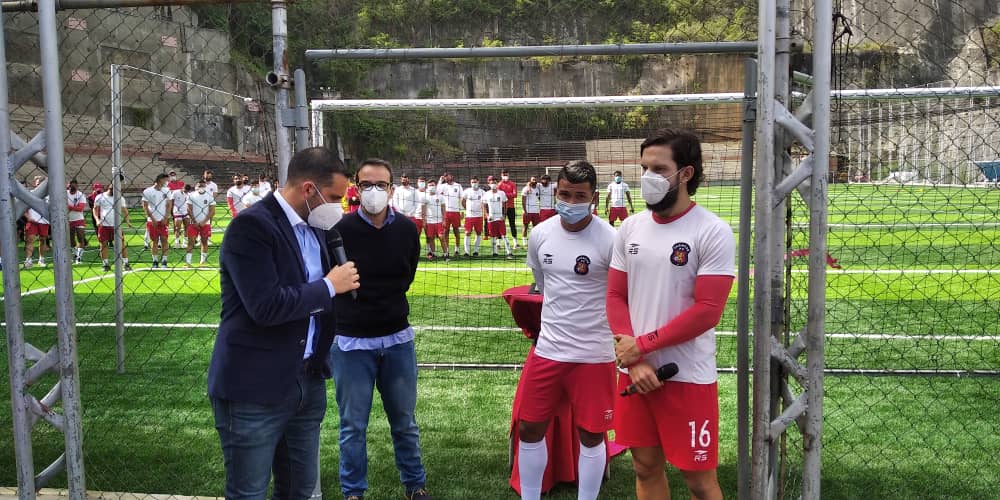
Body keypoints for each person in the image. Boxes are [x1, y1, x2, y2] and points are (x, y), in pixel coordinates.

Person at [208, 146, 359, 500]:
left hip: (305, 382)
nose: (338, 206)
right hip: (253, 389)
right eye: (334, 197)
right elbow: (265, 306)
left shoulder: (319, 228)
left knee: (300, 491)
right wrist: (329, 286)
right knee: (249, 493)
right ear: (309, 189)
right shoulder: (251, 227)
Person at [607, 129, 735, 500]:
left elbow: (708, 311)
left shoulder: (711, 231)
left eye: (659, 168)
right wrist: (634, 362)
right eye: (644, 167)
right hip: (635, 371)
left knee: (699, 481)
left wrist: (641, 347)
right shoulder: (630, 227)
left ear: (686, 174)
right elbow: (615, 296)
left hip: (687, 377)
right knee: (645, 468)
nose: (647, 176)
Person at [329, 158, 431, 500]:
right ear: (356, 188)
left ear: (392, 188)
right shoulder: (338, 230)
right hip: (351, 342)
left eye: (381, 185)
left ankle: (415, 486)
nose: (374, 191)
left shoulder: (406, 229)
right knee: (352, 426)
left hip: (397, 340)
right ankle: (353, 491)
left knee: (404, 422)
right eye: (367, 184)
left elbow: (407, 276)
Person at [518, 160, 617, 500]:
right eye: (564, 195)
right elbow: (544, 285)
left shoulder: (610, 240)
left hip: (594, 354)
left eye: (580, 196)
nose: (571, 203)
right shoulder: (540, 234)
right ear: (554, 193)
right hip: (548, 351)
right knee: (530, 428)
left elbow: (620, 296)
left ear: (594, 198)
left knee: (591, 435)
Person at [93, 182, 133, 272]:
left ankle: (126, 263)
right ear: (109, 188)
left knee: (122, 245)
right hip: (104, 225)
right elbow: (95, 209)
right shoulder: (100, 197)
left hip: (117, 226)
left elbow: (124, 210)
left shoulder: (119, 198)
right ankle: (105, 264)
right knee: (103, 245)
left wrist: (128, 221)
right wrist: (97, 220)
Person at [142, 173, 173, 269]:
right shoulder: (147, 191)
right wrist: (152, 218)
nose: (168, 183)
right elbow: (145, 207)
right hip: (152, 221)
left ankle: (164, 261)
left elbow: (169, 205)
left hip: (163, 220)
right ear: (160, 180)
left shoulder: (167, 191)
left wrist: (166, 217)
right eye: (166, 180)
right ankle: (155, 261)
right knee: (154, 241)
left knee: (164, 240)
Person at [185, 181, 215, 267]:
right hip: (193, 224)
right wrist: (194, 221)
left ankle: (202, 262)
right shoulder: (191, 195)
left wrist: (204, 221)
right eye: (199, 185)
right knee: (191, 242)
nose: (201, 187)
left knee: (204, 242)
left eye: (203, 185)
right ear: (196, 186)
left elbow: (212, 211)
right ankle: (188, 262)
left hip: (205, 224)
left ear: (205, 186)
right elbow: (188, 209)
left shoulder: (210, 196)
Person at [23, 177, 50, 269]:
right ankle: (28, 260)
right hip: (32, 220)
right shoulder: (30, 194)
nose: (38, 186)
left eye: (41, 184)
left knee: (43, 240)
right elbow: (23, 207)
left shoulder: (49, 195)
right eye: (37, 184)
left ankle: (41, 259)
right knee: (30, 239)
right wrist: (28, 217)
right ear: (35, 184)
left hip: (44, 221)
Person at [483, 180, 513, 259]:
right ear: (489, 184)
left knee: (504, 235)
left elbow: (505, 204)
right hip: (491, 218)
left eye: (495, 183)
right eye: (491, 183)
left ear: (497, 184)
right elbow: (483, 205)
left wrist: (504, 215)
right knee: (492, 236)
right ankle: (494, 252)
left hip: (500, 217)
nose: (493, 184)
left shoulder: (502, 193)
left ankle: (509, 252)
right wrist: (487, 215)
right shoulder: (486, 194)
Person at [439, 172, 463, 259]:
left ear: (452, 176)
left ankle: (457, 250)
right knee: (446, 232)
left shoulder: (458, 186)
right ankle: (447, 250)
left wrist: (462, 211)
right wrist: (440, 181)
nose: (446, 177)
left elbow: (461, 199)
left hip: (456, 212)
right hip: (446, 212)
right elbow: (437, 192)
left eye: (448, 175)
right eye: (445, 176)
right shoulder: (443, 186)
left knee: (456, 231)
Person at [461, 176, 486, 257]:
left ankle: (476, 251)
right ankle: (466, 252)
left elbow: (485, 203)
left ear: (478, 182)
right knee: (467, 233)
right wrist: (466, 209)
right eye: (472, 182)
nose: (474, 184)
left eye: (475, 182)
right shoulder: (467, 191)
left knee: (478, 233)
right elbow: (462, 201)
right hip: (469, 216)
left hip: (479, 216)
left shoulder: (482, 192)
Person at [422, 179, 447, 260]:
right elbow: (423, 210)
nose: (431, 187)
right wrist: (424, 221)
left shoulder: (440, 196)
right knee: (431, 238)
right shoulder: (425, 197)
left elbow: (443, 208)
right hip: (429, 222)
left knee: (441, 237)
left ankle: (446, 254)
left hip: (439, 221)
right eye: (429, 185)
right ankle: (433, 253)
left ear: (435, 186)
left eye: (432, 185)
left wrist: (444, 220)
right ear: (427, 187)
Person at [67, 178, 88, 264]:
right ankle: (76, 254)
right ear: (68, 186)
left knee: (80, 237)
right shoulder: (65, 194)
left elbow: (80, 208)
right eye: (71, 185)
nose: (73, 187)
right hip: (68, 219)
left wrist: (68, 207)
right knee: (71, 240)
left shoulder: (81, 195)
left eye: (75, 185)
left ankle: (79, 258)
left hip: (79, 219)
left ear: (77, 186)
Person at [498, 169, 518, 249]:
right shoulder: (499, 184)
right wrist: (508, 195)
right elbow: (498, 195)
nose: (505, 176)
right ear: (501, 175)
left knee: (512, 224)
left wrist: (504, 194)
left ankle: (515, 243)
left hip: (511, 207)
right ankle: (498, 243)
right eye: (504, 175)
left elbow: (515, 194)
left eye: (506, 175)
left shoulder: (512, 184)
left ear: (508, 175)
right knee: (500, 224)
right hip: (502, 207)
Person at [520, 176, 541, 247]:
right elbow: (523, 201)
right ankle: (524, 242)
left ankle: (534, 241)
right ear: (530, 181)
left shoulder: (538, 189)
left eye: (535, 179)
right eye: (533, 180)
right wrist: (525, 211)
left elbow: (539, 198)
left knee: (536, 227)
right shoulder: (526, 189)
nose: (534, 181)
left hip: (536, 211)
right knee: (525, 226)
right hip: (527, 211)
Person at [172, 183, 191, 249]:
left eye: (187, 191)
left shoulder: (189, 194)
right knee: (177, 228)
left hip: (186, 212)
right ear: (182, 188)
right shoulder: (175, 192)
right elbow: (172, 202)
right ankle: (177, 242)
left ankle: (184, 242)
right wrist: (172, 212)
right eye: (185, 190)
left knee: (187, 227)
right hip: (177, 212)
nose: (186, 192)